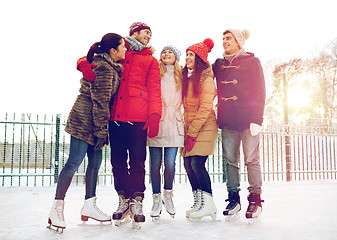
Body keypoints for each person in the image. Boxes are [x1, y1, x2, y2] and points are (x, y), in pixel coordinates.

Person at [77, 22, 162, 229]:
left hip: (138, 117)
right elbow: (93, 53)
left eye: (151, 34)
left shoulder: (150, 60)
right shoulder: (119, 50)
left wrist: (155, 114)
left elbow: (155, 88)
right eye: (145, 32)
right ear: (134, 33)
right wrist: (83, 64)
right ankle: (123, 198)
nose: (149, 37)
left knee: (138, 161)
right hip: (115, 116)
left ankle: (137, 200)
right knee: (117, 161)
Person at [47, 33, 126, 233]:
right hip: (84, 120)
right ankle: (56, 208)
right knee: (74, 161)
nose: (125, 50)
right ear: (113, 51)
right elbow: (100, 101)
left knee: (95, 164)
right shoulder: (104, 68)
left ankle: (89, 204)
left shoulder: (111, 66)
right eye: (123, 46)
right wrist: (101, 130)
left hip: (95, 121)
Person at [212, 29, 266, 221]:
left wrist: (257, 119)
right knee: (230, 161)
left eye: (229, 38)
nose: (225, 41)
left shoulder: (252, 61)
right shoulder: (218, 64)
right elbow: (204, 78)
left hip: (248, 118)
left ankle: (255, 199)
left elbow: (259, 91)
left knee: (251, 159)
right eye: (223, 38)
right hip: (228, 119)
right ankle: (233, 198)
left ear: (239, 41)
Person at [181, 38, 218, 220]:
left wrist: (192, 132)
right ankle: (199, 202)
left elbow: (204, 108)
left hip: (204, 126)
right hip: (192, 127)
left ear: (200, 58)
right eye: (187, 54)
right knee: (188, 164)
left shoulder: (206, 79)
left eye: (191, 55)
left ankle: (209, 205)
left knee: (197, 164)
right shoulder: (187, 77)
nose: (187, 57)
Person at [148, 45, 184, 220]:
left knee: (170, 163)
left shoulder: (182, 75)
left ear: (176, 57)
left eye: (170, 52)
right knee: (155, 165)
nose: (166, 54)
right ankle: (156, 198)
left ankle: (168, 195)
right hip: (158, 121)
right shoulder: (155, 72)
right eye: (164, 52)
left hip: (175, 122)